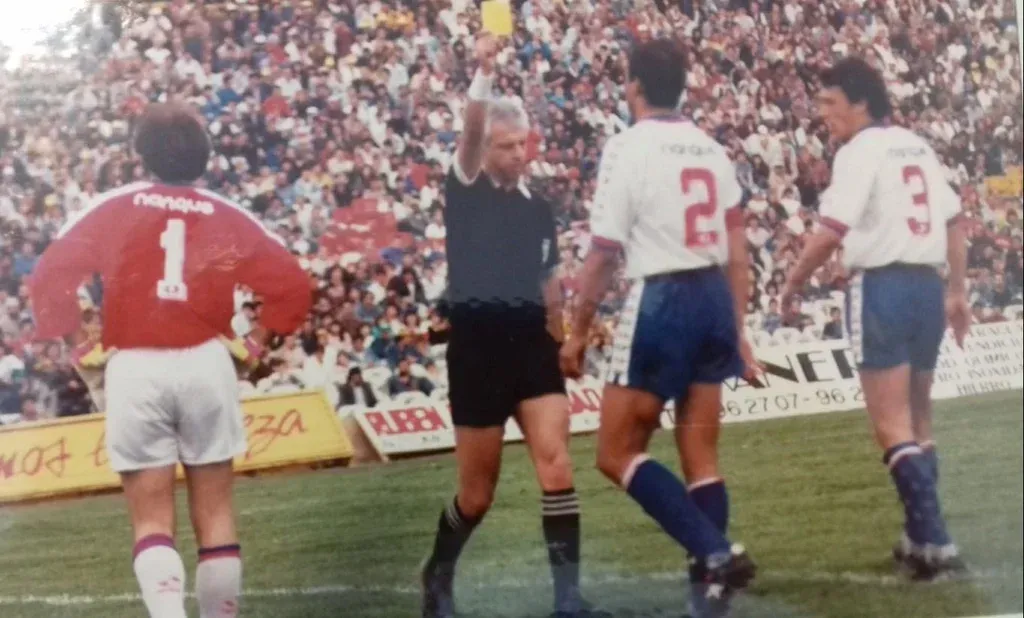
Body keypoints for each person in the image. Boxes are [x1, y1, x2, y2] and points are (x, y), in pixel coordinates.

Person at [29, 102, 312, 618]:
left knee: (151, 519)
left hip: (135, 364)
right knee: (217, 514)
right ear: (203, 156)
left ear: (142, 155)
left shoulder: (112, 207)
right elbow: (292, 284)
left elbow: (49, 276)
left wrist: (78, 342)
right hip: (207, 361)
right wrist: (256, 342)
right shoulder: (226, 213)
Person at [559, 39, 759, 618]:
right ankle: (708, 597)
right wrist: (739, 326)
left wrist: (577, 331)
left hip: (663, 298)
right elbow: (739, 252)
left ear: (634, 86)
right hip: (713, 296)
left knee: (615, 452)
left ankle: (714, 551)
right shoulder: (711, 149)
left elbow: (603, 251)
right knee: (701, 455)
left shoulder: (627, 147)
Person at [420, 34, 604, 618]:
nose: (518, 154)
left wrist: (565, 339)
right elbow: (470, 129)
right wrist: (482, 69)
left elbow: (550, 280)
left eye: (522, 143)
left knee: (557, 464)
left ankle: (568, 599)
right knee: (477, 496)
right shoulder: (465, 191)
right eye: (506, 145)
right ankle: (438, 573)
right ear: (485, 148)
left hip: (530, 348)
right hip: (476, 353)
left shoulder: (537, 208)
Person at [780, 57, 969, 580]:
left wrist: (793, 281)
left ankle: (937, 540)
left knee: (890, 425)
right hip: (927, 287)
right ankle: (919, 536)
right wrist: (957, 290)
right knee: (919, 420)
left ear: (861, 102)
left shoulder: (858, 152)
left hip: (882, 287)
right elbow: (954, 221)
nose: (823, 114)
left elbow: (830, 231)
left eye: (830, 102)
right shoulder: (916, 145)